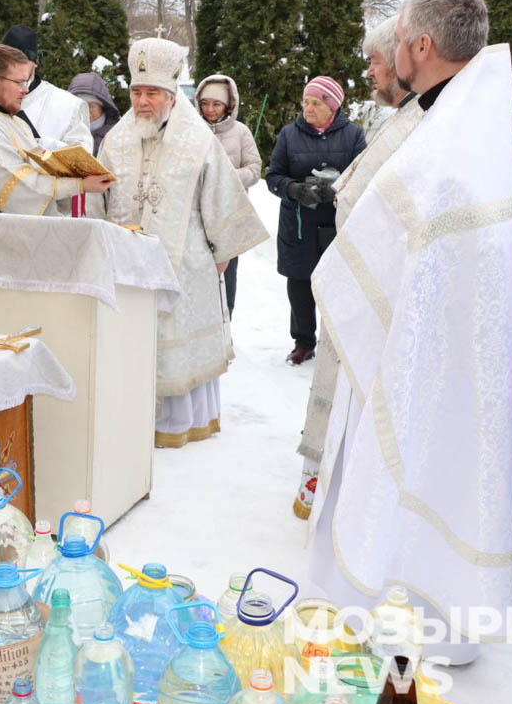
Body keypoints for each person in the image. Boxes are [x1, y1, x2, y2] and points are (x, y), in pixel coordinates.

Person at [305, 0, 512, 666]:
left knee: (412, 462)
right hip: (429, 339)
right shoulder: (460, 120)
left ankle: (400, 611)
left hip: (418, 346)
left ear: (422, 46)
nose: (389, 55)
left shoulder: (456, 141)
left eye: (398, 38)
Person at [292, 13, 428, 519]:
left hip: (386, 301)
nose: (369, 73)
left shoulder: (427, 124)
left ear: (408, 55)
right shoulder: (408, 120)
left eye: (375, 61)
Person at [100, 38, 268, 448]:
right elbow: (98, 198)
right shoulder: (116, 139)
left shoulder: (198, 140)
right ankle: (129, 414)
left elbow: (221, 196)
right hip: (128, 263)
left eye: (152, 93)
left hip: (185, 259)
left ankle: (179, 424)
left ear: (172, 96)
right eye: (137, 92)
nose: (142, 102)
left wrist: (222, 251)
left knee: (176, 342)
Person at [266, 76, 366, 365]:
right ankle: (304, 342)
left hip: (335, 223)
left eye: (315, 103)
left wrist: (335, 189)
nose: (307, 108)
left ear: (331, 106)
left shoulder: (353, 135)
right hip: (298, 222)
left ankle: (338, 341)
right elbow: (274, 175)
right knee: (299, 282)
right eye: (305, 102)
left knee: (339, 282)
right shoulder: (289, 135)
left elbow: (363, 174)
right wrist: (294, 189)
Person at [0, 45, 112, 216]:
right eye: (19, 82)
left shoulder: (11, 119)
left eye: (26, 82)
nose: (26, 89)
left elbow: (38, 161)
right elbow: (20, 186)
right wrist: (80, 185)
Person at [194, 74, 261, 317]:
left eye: (216, 104)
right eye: (205, 103)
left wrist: (227, 177)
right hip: (196, 214)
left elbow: (254, 170)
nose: (210, 110)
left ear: (228, 105)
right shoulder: (191, 129)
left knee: (227, 274)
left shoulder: (241, 132)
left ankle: (225, 322)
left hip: (228, 213)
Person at [67, 72, 120, 156]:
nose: (86, 111)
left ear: (102, 107)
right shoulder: (65, 135)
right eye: (81, 106)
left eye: (91, 106)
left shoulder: (116, 136)